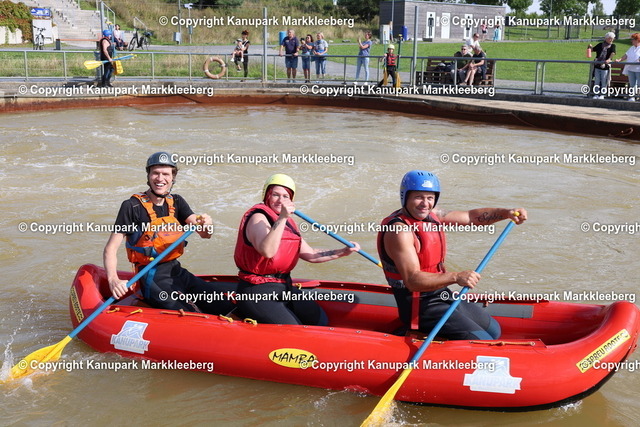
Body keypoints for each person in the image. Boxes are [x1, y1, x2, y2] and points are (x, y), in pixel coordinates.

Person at [377, 170, 528, 339]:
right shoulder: (399, 231)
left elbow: (471, 217)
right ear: (405, 197)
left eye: (430, 198)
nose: (425, 203)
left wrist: (506, 213)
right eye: (418, 197)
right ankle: (416, 332)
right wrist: (456, 277)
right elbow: (413, 280)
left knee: (494, 330)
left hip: (441, 294)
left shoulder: (433, 215)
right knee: (483, 341)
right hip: (419, 307)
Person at [104, 152, 234, 315]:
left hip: (176, 272)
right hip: (151, 278)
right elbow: (110, 249)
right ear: (148, 175)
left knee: (224, 305)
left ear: (173, 178)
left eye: (165, 174)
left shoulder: (176, 202)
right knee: (191, 315)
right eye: (155, 173)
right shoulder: (132, 207)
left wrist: (208, 225)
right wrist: (113, 280)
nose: (160, 179)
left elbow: (205, 234)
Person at [234, 174, 361, 325]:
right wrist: (282, 218)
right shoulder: (258, 218)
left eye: (285, 196)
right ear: (266, 195)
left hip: (283, 286)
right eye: (275, 195)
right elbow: (267, 251)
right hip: (257, 290)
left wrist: (343, 252)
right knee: (294, 330)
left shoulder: (288, 222)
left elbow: (311, 254)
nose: (280, 200)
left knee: (318, 318)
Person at [588, 32, 616, 99]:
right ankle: (596, 94)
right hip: (597, 65)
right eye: (609, 38)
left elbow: (613, 53)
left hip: (605, 66)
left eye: (612, 38)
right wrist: (589, 47)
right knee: (597, 81)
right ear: (606, 38)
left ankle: (602, 94)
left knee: (604, 81)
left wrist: (609, 59)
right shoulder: (600, 44)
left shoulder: (613, 46)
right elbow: (592, 50)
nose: (611, 40)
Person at [615, 33, 640, 102]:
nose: (631, 41)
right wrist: (619, 59)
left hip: (638, 69)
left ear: (637, 40)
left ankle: (638, 96)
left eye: (633, 39)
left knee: (639, 84)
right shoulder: (631, 48)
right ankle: (632, 97)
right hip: (631, 69)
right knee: (632, 84)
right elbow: (626, 55)